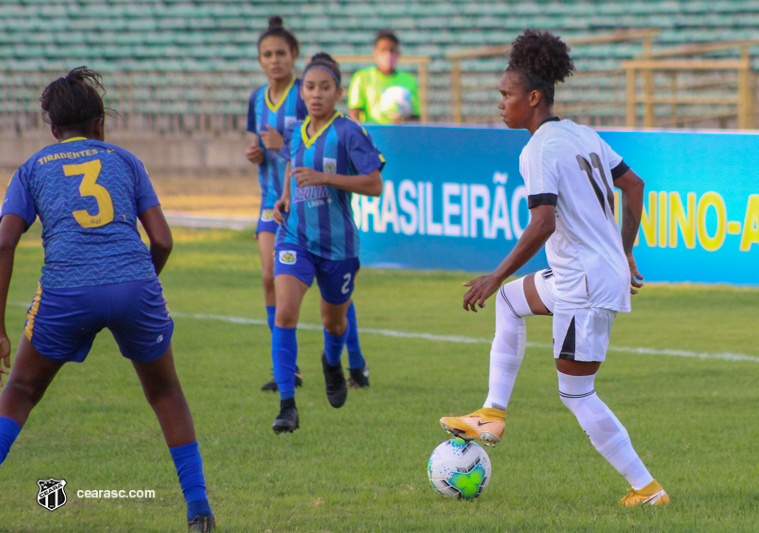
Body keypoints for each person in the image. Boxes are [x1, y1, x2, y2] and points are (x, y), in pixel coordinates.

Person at [439, 30, 669, 507]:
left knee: (577, 393)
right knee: (510, 302)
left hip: (582, 284)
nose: (500, 103)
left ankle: (647, 489)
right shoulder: (582, 134)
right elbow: (635, 186)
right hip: (584, 275)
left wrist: (495, 272)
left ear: (534, 97)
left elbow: (542, 223)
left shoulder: (539, 148)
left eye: (506, 95)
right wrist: (623, 252)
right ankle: (491, 413)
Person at [0, 68, 215, 532]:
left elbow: (4, 241)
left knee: (19, 391)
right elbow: (162, 239)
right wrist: (140, 286)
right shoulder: (125, 160)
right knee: (165, 391)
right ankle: (198, 509)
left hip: (66, 290)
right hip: (135, 285)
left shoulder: (33, 168)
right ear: (100, 123)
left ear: (52, 129)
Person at [247, 17, 370, 392]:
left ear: (294, 56)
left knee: (334, 296)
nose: (274, 61)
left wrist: (280, 149)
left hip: (318, 206)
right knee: (272, 279)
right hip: (277, 202)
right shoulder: (256, 99)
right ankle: (288, 371)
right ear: (259, 60)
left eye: (281, 53)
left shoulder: (308, 94)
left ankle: (354, 360)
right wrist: (257, 152)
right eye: (267, 54)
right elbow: (270, 147)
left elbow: (307, 146)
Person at [270, 53, 385, 433]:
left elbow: (374, 184)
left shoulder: (349, 132)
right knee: (285, 312)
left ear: (338, 92)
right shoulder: (295, 130)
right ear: (302, 92)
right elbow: (290, 163)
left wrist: (326, 178)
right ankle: (288, 406)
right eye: (309, 87)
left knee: (333, 324)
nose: (316, 94)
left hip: (338, 246)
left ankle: (332, 363)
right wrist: (284, 196)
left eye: (324, 88)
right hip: (294, 237)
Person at [348, 30, 420, 124]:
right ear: (375, 53)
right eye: (383, 50)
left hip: (399, 135)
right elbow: (355, 112)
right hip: (372, 135)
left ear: (398, 53)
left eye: (392, 50)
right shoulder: (361, 78)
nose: (388, 55)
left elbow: (416, 116)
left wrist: (403, 119)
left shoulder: (409, 81)